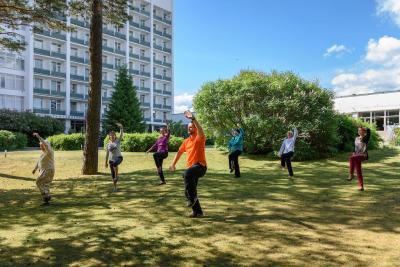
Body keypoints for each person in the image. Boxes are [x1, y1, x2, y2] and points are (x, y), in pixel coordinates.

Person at [169, 110, 207, 218]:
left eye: (191, 127)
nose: (189, 128)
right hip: (192, 168)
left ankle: (192, 198)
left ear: (195, 128)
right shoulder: (186, 141)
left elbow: (201, 130)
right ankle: (198, 212)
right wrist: (173, 164)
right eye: (188, 127)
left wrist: (193, 119)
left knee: (186, 175)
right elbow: (179, 152)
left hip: (200, 166)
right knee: (191, 190)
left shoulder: (200, 138)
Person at [32, 132, 55, 205]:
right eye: (40, 146)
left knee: (38, 182)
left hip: (48, 170)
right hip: (44, 170)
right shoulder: (43, 153)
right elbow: (39, 161)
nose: (40, 147)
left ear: (45, 146)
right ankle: (46, 200)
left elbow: (45, 143)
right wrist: (35, 169)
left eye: (41, 146)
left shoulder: (49, 151)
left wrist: (38, 136)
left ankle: (46, 195)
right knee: (45, 185)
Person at [347, 127, 371, 191]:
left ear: (364, 131)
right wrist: (353, 152)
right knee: (358, 171)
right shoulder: (356, 138)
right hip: (356, 155)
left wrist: (365, 129)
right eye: (358, 130)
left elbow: (369, 132)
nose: (359, 131)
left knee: (351, 158)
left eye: (360, 130)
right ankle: (361, 187)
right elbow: (355, 147)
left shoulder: (365, 138)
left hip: (363, 155)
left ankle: (351, 175)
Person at [105, 123, 124, 192]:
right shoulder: (108, 144)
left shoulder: (118, 141)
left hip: (119, 158)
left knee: (115, 164)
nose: (112, 136)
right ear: (109, 136)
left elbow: (121, 134)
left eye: (113, 135)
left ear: (115, 136)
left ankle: (117, 176)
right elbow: (107, 154)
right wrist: (106, 162)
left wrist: (121, 127)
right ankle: (115, 187)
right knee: (112, 175)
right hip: (111, 160)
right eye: (111, 135)